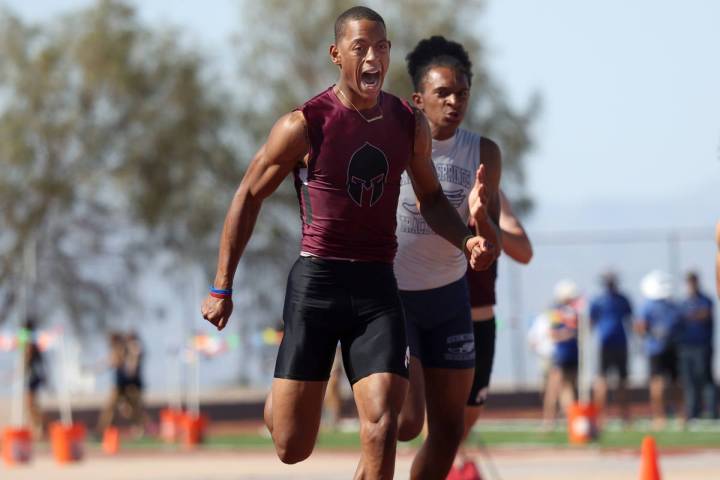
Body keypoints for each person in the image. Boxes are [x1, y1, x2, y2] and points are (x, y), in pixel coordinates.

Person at [200, 8, 499, 478]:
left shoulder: (408, 123)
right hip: (317, 282)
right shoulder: (305, 124)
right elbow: (248, 196)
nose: (372, 56)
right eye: (360, 47)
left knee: (383, 426)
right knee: (292, 445)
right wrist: (222, 286)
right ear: (337, 55)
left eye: (380, 46)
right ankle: (280, 403)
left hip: (379, 286)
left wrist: (466, 239)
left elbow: (433, 198)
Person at [393, 35, 503, 480]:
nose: (454, 101)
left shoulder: (484, 153)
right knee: (402, 423)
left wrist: (481, 225)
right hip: (394, 298)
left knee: (449, 429)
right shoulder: (396, 144)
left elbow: (488, 250)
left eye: (462, 93)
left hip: (449, 300)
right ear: (418, 99)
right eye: (443, 93)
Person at [635, 270, 682, 429]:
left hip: (655, 349)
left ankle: (659, 416)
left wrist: (651, 334)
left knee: (657, 382)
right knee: (675, 381)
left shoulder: (647, 305)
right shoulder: (672, 305)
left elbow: (640, 327)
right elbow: (679, 325)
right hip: (671, 347)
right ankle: (680, 415)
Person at [589, 272, 633, 425]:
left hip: (620, 343)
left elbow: (630, 320)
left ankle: (624, 415)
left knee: (622, 381)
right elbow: (591, 321)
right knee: (602, 381)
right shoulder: (598, 301)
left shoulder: (623, 300)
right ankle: (600, 416)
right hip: (605, 344)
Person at [678, 272, 717, 420]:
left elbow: (704, 315)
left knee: (705, 379)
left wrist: (689, 316)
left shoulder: (705, 300)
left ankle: (712, 412)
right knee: (689, 381)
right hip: (686, 347)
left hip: (702, 346)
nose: (690, 285)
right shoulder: (684, 302)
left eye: (692, 282)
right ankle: (693, 413)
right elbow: (678, 320)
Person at [23, 319, 46, 438]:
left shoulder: (30, 342)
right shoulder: (33, 342)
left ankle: (39, 427)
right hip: (33, 377)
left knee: (30, 404)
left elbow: (29, 358)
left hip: (33, 377)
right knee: (31, 404)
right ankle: (37, 427)